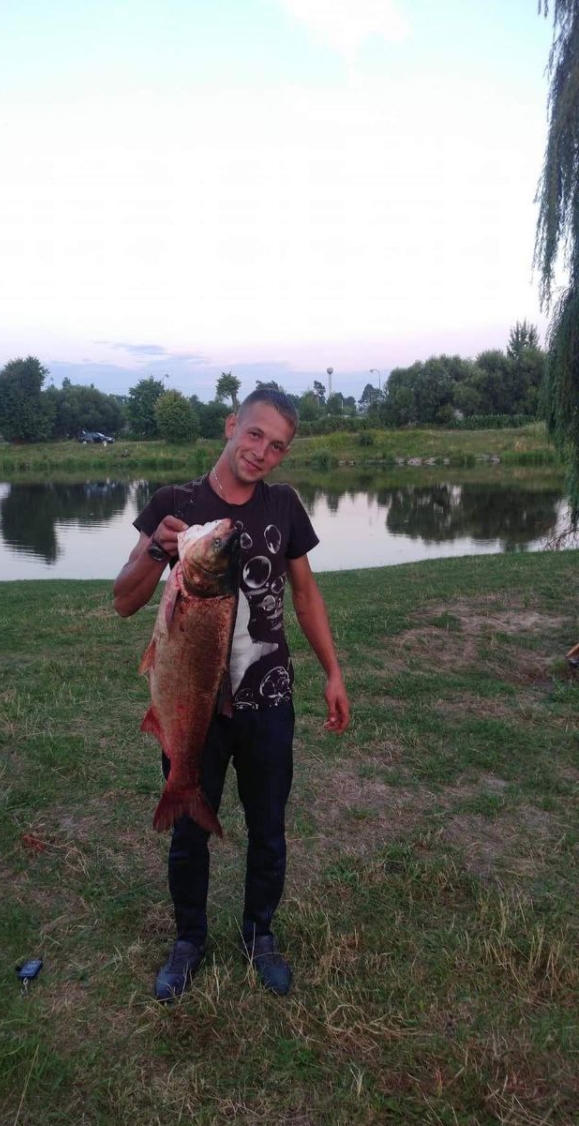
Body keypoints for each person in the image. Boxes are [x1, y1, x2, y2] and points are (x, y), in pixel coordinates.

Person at [113, 387, 350, 1001]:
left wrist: (333, 672)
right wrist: (156, 549)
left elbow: (306, 595)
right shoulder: (175, 504)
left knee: (269, 828)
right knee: (189, 830)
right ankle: (188, 940)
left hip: (269, 700)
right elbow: (124, 600)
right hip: (193, 705)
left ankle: (260, 935)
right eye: (255, 434)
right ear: (231, 426)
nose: (262, 452)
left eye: (277, 446)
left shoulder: (284, 505)